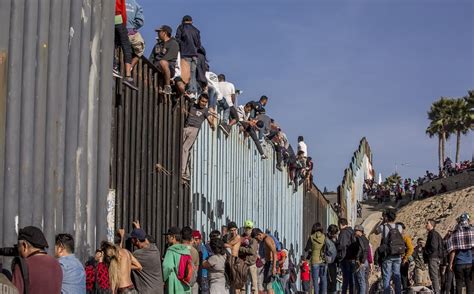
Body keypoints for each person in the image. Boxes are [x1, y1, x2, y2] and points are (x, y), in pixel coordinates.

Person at [12, 226, 62, 294]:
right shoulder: (56, 264)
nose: (18, 250)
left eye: (18, 246)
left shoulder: (22, 266)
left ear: (24, 246)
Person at [181, 93, 215, 181]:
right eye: (203, 101)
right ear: (199, 99)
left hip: (194, 130)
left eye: (205, 102)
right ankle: (186, 172)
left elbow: (210, 120)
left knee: (185, 148)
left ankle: (182, 171)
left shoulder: (206, 111)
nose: (203, 103)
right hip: (186, 128)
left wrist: (212, 125)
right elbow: (187, 97)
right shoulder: (192, 105)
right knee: (184, 150)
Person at [374, 210, 405, 294]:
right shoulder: (399, 227)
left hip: (388, 255)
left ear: (386, 217)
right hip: (398, 254)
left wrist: (382, 222)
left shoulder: (383, 227)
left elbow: (375, 231)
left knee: (386, 277)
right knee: (397, 275)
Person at [129, 222, 164, 294]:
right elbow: (145, 239)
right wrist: (138, 230)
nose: (131, 240)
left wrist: (121, 238)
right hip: (159, 290)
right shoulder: (155, 249)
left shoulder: (138, 254)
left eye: (132, 239)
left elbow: (123, 260)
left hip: (147, 291)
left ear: (137, 240)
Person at [447, 213, 474, 294]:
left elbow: (453, 251)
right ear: (467, 220)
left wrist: (451, 264)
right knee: (469, 283)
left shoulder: (455, 233)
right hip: (470, 262)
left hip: (459, 263)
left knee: (458, 284)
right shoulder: (472, 232)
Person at [175, 15, 201, 97]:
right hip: (194, 55)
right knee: (192, 74)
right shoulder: (196, 30)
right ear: (191, 21)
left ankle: (186, 92)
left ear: (183, 21)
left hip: (185, 54)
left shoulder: (181, 27)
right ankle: (192, 92)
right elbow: (198, 44)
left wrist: (182, 46)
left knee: (185, 74)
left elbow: (177, 39)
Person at [149, 25, 179, 95]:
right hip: (156, 66)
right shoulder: (157, 45)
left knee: (163, 62)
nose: (158, 34)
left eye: (159, 32)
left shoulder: (173, 43)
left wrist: (157, 63)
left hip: (169, 68)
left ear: (164, 33)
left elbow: (168, 58)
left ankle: (167, 87)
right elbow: (151, 57)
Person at [114, 0, 137, 90]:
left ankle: (113, 65)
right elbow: (122, 10)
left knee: (113, 41)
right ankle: (128, 76)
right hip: (117, 17)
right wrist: (124, 23)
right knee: (126, 46)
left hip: (105, 17)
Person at [162, 227, 192, 293]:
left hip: (174, 283)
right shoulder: (186, 250)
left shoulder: (171, 250)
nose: (167, 239)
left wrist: (163, 279)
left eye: (168, 237)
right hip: (185, 284)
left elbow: (167, 266)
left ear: (173, 237)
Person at [252, 228, 278, 294]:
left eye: (257, 238)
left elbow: (274, 252)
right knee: (267, 285)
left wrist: (274, 267)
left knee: (268, 286)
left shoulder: (267, 239)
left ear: (259, 234)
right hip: (268, 263)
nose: (257, 240)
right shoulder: (265, 239)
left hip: (271, 263)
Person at [305, 222, 327, 294]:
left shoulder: (311, 237)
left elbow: (307, 249)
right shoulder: (324, 236)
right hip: (323, 260)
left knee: (315, 280)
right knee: (323, 279)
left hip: (315, 261)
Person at [337, 218, 356, 294]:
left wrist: (337, 247)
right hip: (352, 258)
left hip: (345, 258)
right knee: (351, 279)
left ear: (341, 224)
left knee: (345, 279)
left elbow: (342, 245)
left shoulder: (343, 233)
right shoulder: (352, 231)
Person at [239, 221, 259, 294]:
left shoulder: (254, 238)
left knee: (254, 285)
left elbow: (252, 251)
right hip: (243, 263)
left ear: (252, 228)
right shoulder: (241, 237)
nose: (248, 230)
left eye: (249, 228)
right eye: (246, 228)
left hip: (251, 263)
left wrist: (241, 249)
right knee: (242, 285)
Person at [125, 0, 145, 70]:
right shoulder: (136, 5)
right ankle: (130, 67)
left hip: (116, 29)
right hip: (130, 32)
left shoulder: (117, 1)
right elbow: (140, 22)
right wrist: (131, 27)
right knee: (140, 50)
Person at [425, 219, 443, 294]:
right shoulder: (435, 234)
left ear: (431, 225)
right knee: (435, 276)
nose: (426, 225)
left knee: (434, 276)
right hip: (436, 257)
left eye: (427, 223)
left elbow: (433, 246)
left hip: (433, 257)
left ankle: (436, 292)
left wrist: (426, 252)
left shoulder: (432, 234)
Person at [181, 226, 200, 294]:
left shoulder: (177, 249)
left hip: (179, 283)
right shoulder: (195, 251)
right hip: (191, 282)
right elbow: (196, 269)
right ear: (191, 237)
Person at [397, 223, 414, 292]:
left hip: (403, 260)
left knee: (403, 277)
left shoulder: (406, 238)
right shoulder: (396, 237)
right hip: (397, 260)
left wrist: (405, 258)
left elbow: (411, 249)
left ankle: (406, 290)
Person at [353, 225, 369, 294]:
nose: (354, 232)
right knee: (363, 282)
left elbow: (362, 250)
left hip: (361, 262)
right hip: (365, 262)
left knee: (361, 282)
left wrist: (358, 259)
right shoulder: (365, 239)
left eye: (355, 231)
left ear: (359, 231)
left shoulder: (360, 239)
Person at [326, 224, 339, 294]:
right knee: (329, 280)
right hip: (328, 263)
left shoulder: (334, 239)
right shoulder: (326, 240)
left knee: (333, 280)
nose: (335, 235)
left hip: (333, 262)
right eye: (335, 233)